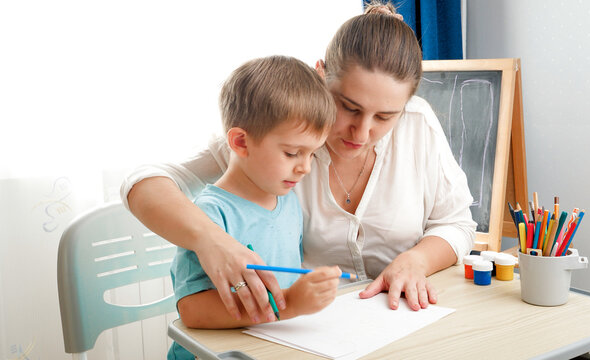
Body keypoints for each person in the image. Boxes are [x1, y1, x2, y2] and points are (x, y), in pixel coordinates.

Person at [121, 2, 477, 325]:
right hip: (306, 329)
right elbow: (145, 180)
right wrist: (210, 240)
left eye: (385, 116)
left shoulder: (419, 124)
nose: (363, 132)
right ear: (320, 74)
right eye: (349, 107)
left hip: (395, 321)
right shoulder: (279, 133)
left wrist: (416, 260)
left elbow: (457, 223)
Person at [168, 55, 341, 359]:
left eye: (312, 154)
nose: (305, 168)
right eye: (292, 153)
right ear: (240, 142)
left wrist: (307, 292)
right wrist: (288, 302)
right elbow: (192, 311)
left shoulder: (286, 200)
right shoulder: (210, 214)